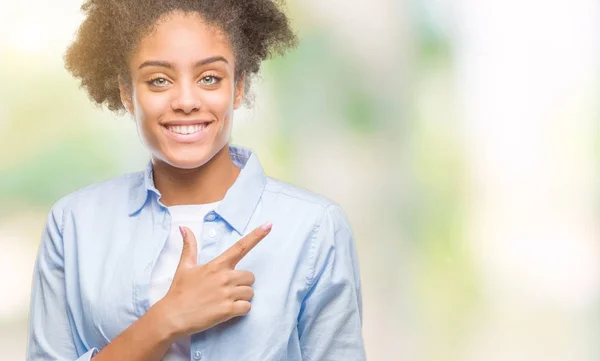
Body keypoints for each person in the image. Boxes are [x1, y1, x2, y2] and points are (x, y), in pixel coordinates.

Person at [26, 1, 366, 360]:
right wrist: (167, 318)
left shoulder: (314, 228)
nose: (186, 101)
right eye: (159, 80)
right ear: (127, 93)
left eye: (209, 78)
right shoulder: (73, 224)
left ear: (237, 87)